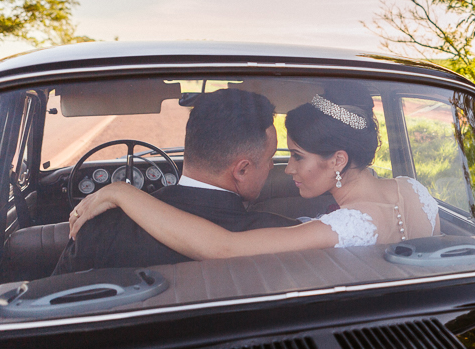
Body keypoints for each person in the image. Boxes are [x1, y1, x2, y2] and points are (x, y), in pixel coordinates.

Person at [68, 82, 440, 260]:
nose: (288, 168)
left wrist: (122, 191)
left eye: (296, 156)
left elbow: (224, 247)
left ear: (338, 160)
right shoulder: (414, 191)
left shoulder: (338, 228)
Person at [54, 88, 298, 274]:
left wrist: (119, 192)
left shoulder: (99, 227)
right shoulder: (282, 236)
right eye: (270, 158)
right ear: (242, 170)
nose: (272, 167)